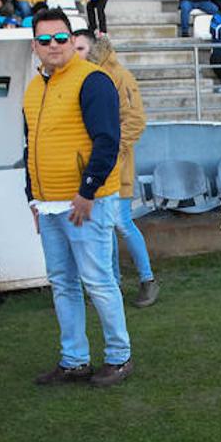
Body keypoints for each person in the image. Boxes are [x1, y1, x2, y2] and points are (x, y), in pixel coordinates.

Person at [26, 10, 132, 388]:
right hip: (50, 204)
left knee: (98, 281)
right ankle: (74, 360)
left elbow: (108, 140)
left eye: (60, 38)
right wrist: (33, 200)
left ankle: (119, 356)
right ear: (35, 45)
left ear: (72, 40)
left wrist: (87, 191)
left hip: (84, 203)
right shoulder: (34, 87)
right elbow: (30, 147)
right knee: (63, 283)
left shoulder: (93, 81)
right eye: (44, 40)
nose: (52, 45)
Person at [77, 33, 160, 308]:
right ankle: (110, 285)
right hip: (96, 167)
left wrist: (111, 149)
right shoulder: (85, 75)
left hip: (117, 167)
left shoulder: (118, 75)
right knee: (106, 226)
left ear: (93, 48)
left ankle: (148, 280)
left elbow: (136, 120)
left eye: (80, 47)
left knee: (121, 223)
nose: (74, 52)